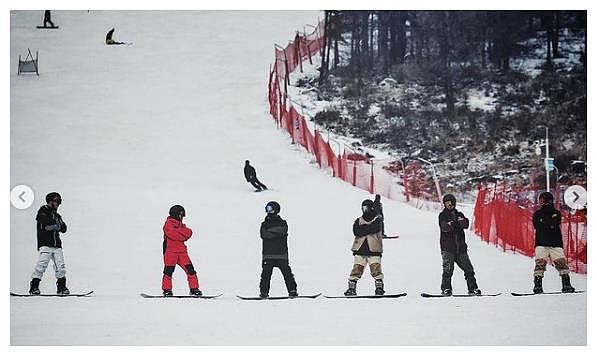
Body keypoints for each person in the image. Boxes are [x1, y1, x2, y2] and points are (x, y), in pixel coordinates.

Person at [532, 191, 575, 294]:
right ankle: (538, 286)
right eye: (541, 200)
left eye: (543, 200)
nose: (542, 202)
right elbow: (538, 225)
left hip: (554, 243)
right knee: (540, 264)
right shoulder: (538, 214)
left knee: (561, 264)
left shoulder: (556, 213)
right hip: (542, 242)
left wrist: (545, 221)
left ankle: (566, 284)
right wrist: (549, 222)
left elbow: (554, 223)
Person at [438, 194, 481, 296]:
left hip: (461, 248)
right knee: (448, 269)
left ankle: (473, 288)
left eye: (451, 202)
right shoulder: (443, 216)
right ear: (444, 204)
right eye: (447, 203)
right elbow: (445, 227)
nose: (449, 205)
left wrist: (455, 223)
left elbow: (465, 224)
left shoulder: (459, 214)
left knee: (469, 269)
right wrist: (455, 224)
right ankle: (446, 289)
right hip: (448, 248)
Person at [29, 192, 69, 295]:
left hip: (57, 245)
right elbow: (44, 221)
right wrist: (55, 225)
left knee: (60, 266)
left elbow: (64, 228)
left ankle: (62, 287)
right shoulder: (43, 211)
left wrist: (57, 225)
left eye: (60, 201)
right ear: (50, 201)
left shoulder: (57, 215)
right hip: (45, 244)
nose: (58, 203)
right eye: (57, 201)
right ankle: (34, 287)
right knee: (41, 265)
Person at [344, 199, 385, 296]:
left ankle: (379, 289)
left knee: (376, 271)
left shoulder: (377, 220)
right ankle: (351, 289)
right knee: (356, 270)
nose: (364, 210)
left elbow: (375, 228)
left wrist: (363, 229)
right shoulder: (359, 220)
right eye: (363, 208)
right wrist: (367, 229)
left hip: (374, 251)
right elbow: (356, 231)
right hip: (360, 251)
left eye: (366, 208)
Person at [259, 201, 298, 298]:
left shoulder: (283, 223)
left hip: (281, 253)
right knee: (266, 275)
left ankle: (292, 291)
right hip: (268, 254)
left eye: (271, 209)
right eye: (268, 209)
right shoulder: (264, 224)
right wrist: (276, 233)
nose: (269, 211)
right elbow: (264, 234)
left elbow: (283, 231)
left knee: (287, 273)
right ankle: (264, 293)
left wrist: (271, 232)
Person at [161, 205, 201, 297]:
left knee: (191, 271)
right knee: (168, 271)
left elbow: (189, 232)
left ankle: (194, 289)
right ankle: (167, 290)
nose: (182, 218)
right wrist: (182, 233)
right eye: (181, 215)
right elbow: (174, 234)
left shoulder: (181, 226)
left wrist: (180, 232)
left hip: (182, 253)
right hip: (170, 253)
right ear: (178, 215)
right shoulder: (168, 224)